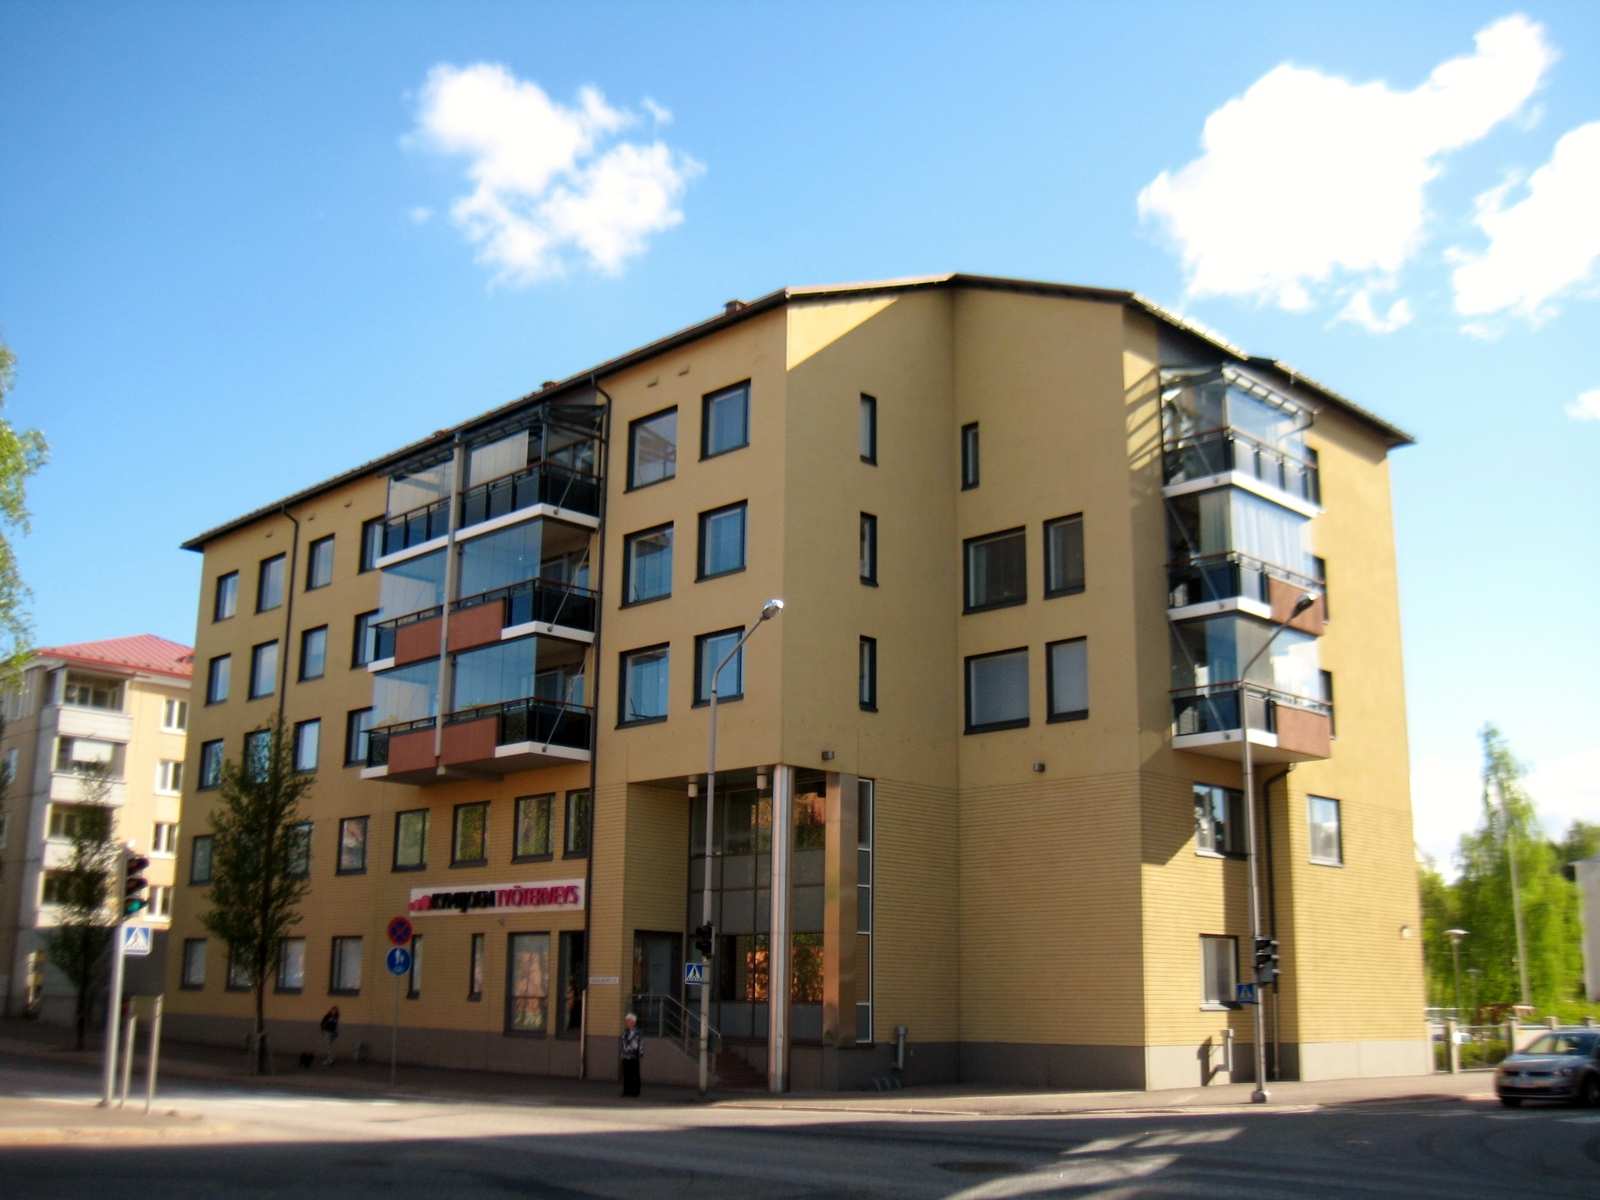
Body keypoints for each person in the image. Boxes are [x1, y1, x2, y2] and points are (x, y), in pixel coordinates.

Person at [620, 1011, 643, 1097]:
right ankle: (626, 1091)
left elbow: (641, 1043)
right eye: (626, 1021)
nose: (627, 1023)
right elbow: (623, 1044)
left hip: (634, 1055)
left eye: (628, 1021)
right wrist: (622, 1053)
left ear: (633, 1022)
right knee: (626, 1074)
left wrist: (640, 1053)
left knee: (635, 1074)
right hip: (626, 1055)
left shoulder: (638, 1032)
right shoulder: (625, 1032)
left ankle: (635, 1091)